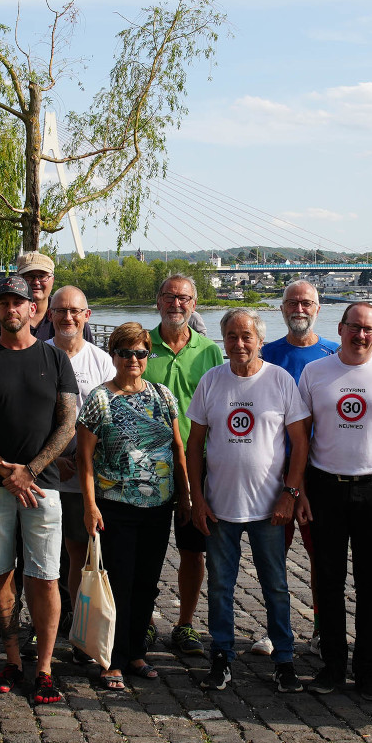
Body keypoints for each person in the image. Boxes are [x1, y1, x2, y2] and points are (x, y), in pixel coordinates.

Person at [0, 274, 77, 704]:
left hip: (43, 488)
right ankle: (12, 658)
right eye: (3, 303)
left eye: (19, 303)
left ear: (34, 309)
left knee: (45, 578)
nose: (12, 309)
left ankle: (44, 667)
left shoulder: (55, 359)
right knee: (0, 575)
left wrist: (31, 470)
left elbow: (67, 423)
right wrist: (5, 471)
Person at [295, 302, 372, 701]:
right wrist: (296, 490)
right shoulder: (315, 372)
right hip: (325, 487)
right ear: (341, 328)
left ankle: (366, 671)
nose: (360, 335)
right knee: (327, 580)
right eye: (354, 327)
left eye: (368, 329)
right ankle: (332, 666)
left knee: (370, 583)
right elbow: (299, 438)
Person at [186, 310, 309, 693]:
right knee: (221, 585)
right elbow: (194, 444)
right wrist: (197, 497)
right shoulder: (212, 381)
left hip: (269, 508)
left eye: (246, 336)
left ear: (259, 339)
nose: (239, 344)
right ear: (223, 340)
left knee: (275, 585)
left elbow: (300, 443)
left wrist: (290, 494)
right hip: (221, 507)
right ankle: (221, 656)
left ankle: (284, 659)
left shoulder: (280, 380)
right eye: (232, 337)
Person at [77, 322, 189, 691]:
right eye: (125, 352)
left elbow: (176, 447)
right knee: (119, 584)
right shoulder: (99, 399)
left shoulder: (162, 395)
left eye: (141, 352)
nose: (134, 359)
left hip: (158, 507)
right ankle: (113, 658)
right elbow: (85, 458)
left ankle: (137, 652)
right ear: (114, 355)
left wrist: (185, 495)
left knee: (147, 584)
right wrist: (90, 505)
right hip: (117, 506)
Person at [140, 274, 224, 656]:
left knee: (194, 549)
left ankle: (185, 623)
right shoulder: (140, 345)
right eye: (170, 296)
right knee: (148, 548)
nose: (177, 304)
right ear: (158, 301)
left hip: (197, 463)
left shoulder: (209, 351)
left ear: (195, 305)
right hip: (146, 464)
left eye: (185, 298)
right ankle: (141, 620)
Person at [257, 279, 338, 656]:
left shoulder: (336, 355)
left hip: (320, 473)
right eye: (292, 303)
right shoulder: (265, 354)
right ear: (282, 309)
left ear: (318, 308)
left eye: (306, 303)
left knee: (322, 556)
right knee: (273, 556)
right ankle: (277, 629)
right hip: (273, 472)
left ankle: (323, 626)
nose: (299, 309)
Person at [46, 286, 115, 649]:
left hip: (81, 478)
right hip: (42, 475)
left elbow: (109, 420)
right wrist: (53, 458)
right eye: (60, 311)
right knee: (38, 552)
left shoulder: (101, 361)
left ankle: (73, 616)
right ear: (49, 315)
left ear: (87, 315)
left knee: (76, 551)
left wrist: (80, 459)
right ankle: (42, 617)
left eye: (75, 311)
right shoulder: (39, 355)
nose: (67, 317)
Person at [0, 252, 92, 354]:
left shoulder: (71, 318)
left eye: (42, 276)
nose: (36, 282)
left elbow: (89, 357)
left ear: (52, 280)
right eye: (29, 276)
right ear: (18, 279)